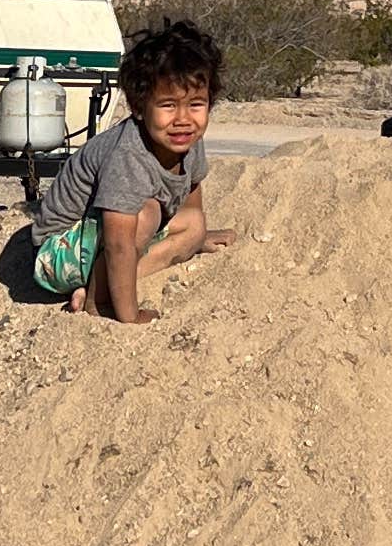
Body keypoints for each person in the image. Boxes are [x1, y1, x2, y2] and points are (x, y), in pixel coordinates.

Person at [26, 18, 239, 326]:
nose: (183, 119)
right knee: (147, 211)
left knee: (194, 224)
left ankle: (94, 289)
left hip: (103, 246)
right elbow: (118, 243)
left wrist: (196, 239)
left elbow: (190, 193)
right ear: (139, 107)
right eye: (168, 105)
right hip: (57, 253)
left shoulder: (189, 140)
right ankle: (100, 303)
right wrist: (130, 316)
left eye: (195, 104)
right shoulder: (128, 155)